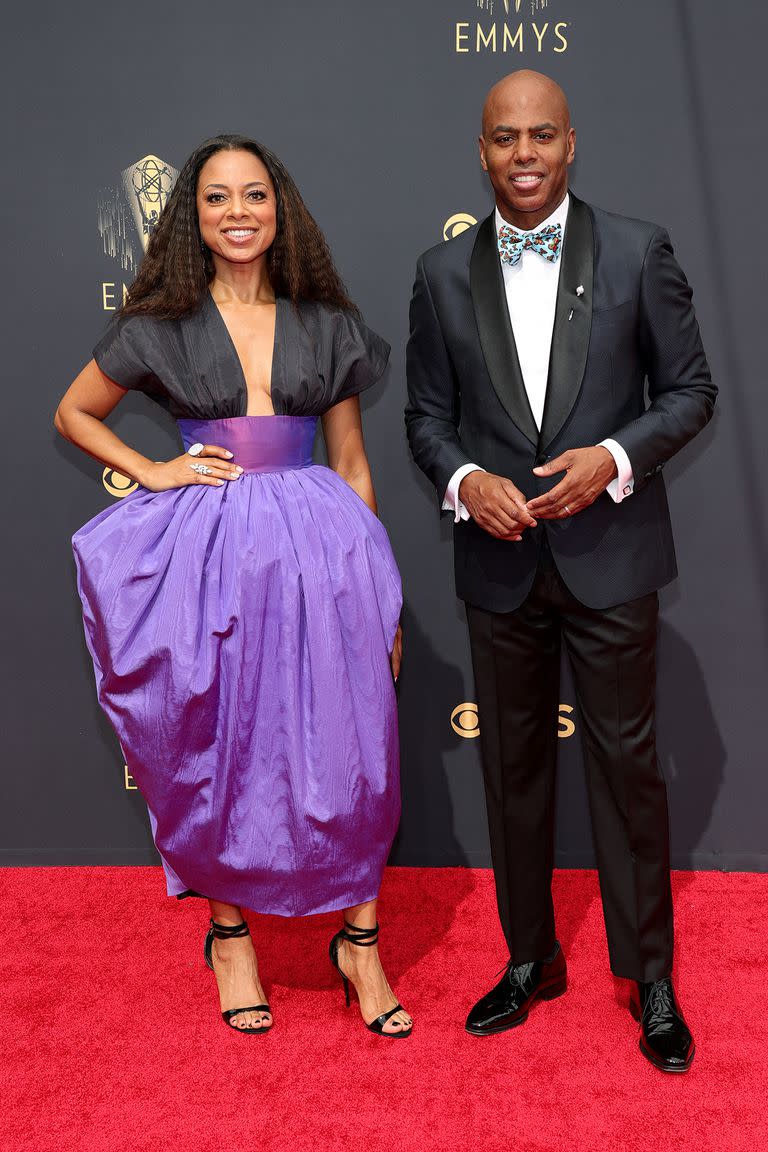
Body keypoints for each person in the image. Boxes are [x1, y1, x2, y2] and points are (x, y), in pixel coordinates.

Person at [56, 134, 412, 1039]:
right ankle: (230, 937)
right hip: (212, 556)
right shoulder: (159, 325)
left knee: (355, 752)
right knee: (218, 745)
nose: (239, 212)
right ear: (196, 218)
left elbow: (353, 464)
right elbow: (73, 412)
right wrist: (153, 469)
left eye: (255, 194)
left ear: (280, 207)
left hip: (323, 550)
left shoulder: (328, 322)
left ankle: (359, 947)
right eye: (218, 198)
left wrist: (376, 580)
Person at [405, 71, 715, 1071]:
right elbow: (426, 420)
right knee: (513, 774)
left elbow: (690, 390)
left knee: (628, 773)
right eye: (506, 138)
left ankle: (650, 976)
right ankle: (529, 959)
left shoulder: (637, 250)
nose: (525, 153)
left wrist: (614, 459)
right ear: (481, 150)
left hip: (612, 559)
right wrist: (461, 479)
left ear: (571, 144)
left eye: (542, 135)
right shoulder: (441, 271)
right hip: (497, 566)